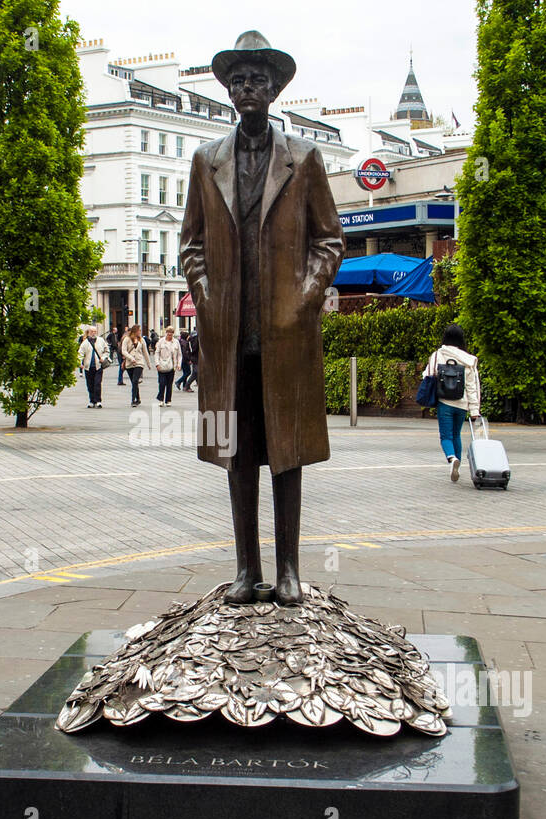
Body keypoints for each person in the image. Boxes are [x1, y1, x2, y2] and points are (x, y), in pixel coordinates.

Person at [180, 30, 344, 604]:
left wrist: (302, 298)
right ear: (228, 90)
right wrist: (206, 292)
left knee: (287, 453)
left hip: (284, 334)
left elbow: (328, 240)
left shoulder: (304, 159)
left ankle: (289, 570)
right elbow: (191, 244)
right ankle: (247, 570)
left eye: (259, 80)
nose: (249, 88)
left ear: (274, 91)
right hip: (227, 338)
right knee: (237, 453)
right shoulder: (207, 161)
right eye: (239, 80)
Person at [424, 323, 482, 483]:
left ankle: (451, 459)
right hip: (462, 404)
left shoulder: (437, 355)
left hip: (445, 402)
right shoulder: (469, 360)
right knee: (456, 435)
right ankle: (457, 464)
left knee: (445, 436)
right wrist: (475, 410)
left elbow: (428, 375)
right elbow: (472, 386)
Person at [78, 325, 110, 408]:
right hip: (88, 367)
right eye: (92, 331)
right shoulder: (85, 342)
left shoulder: (101, 341)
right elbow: (80, 353)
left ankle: (98, 400)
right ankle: (92, 400)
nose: (93, 333)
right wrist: (79, 363)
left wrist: (103, 358)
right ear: (88, 332)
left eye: (95, 331)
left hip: (98, 366)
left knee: (97, 383)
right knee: (90, 384)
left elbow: (107, 351)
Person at [120, 324, 150, 407]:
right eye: (139, 330)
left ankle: (133, 400)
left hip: (139, 362)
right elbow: (124, 351)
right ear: (135, 331)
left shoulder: (142, 340)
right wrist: (130, 358)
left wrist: (148, 363)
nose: (140, 332)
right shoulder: (127, 339)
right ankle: (138, 398)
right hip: (129, 363)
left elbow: (145, 352)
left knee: (135, 381)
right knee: (134, 382)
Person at [155, 325, 182, 406]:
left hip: (171, 366)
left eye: (171, 334)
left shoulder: (176, 342)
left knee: (169, 384)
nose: (169, 335)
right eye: (168, 333)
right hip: (161, 365)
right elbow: (157, 353)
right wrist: (157, 364)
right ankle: (161, 399)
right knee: (162, 383)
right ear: (166, 333)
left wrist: (178, 364)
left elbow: (179, 354)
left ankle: (168, 400)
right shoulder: (161, 341)